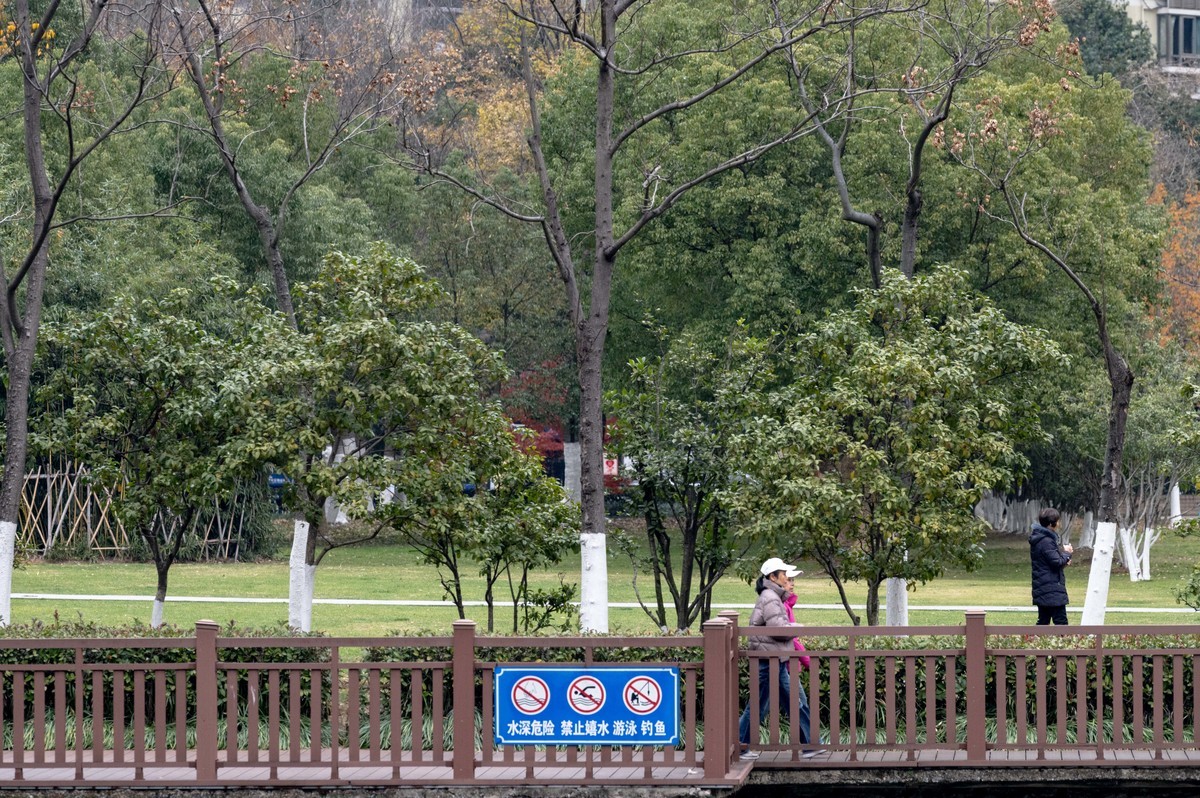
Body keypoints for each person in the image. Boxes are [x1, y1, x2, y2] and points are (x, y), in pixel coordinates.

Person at [739, 557, 814, 759]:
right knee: (757, 705)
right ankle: (739, 745)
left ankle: (808, 744)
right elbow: (778, 630)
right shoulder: (770, 597)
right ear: (773, 577)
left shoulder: (772, 596)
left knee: (791, 701)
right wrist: (796, 629)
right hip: (768, 659)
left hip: (774, 658)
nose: (787, 578)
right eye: (784, 575)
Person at [1030, 507, 1073, 625]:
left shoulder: (1040, 539)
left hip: (1044, 587)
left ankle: (1035, 642)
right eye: (1058, 521)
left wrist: (1064, 561)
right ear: (1051, 524)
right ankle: (1063, 643)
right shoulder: (1046, 541)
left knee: (1043, 622)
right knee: (1061, 623)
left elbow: (1050, 564)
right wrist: (1067, 553)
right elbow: (1056, 562)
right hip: (1051, 590)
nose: (1059, 524)